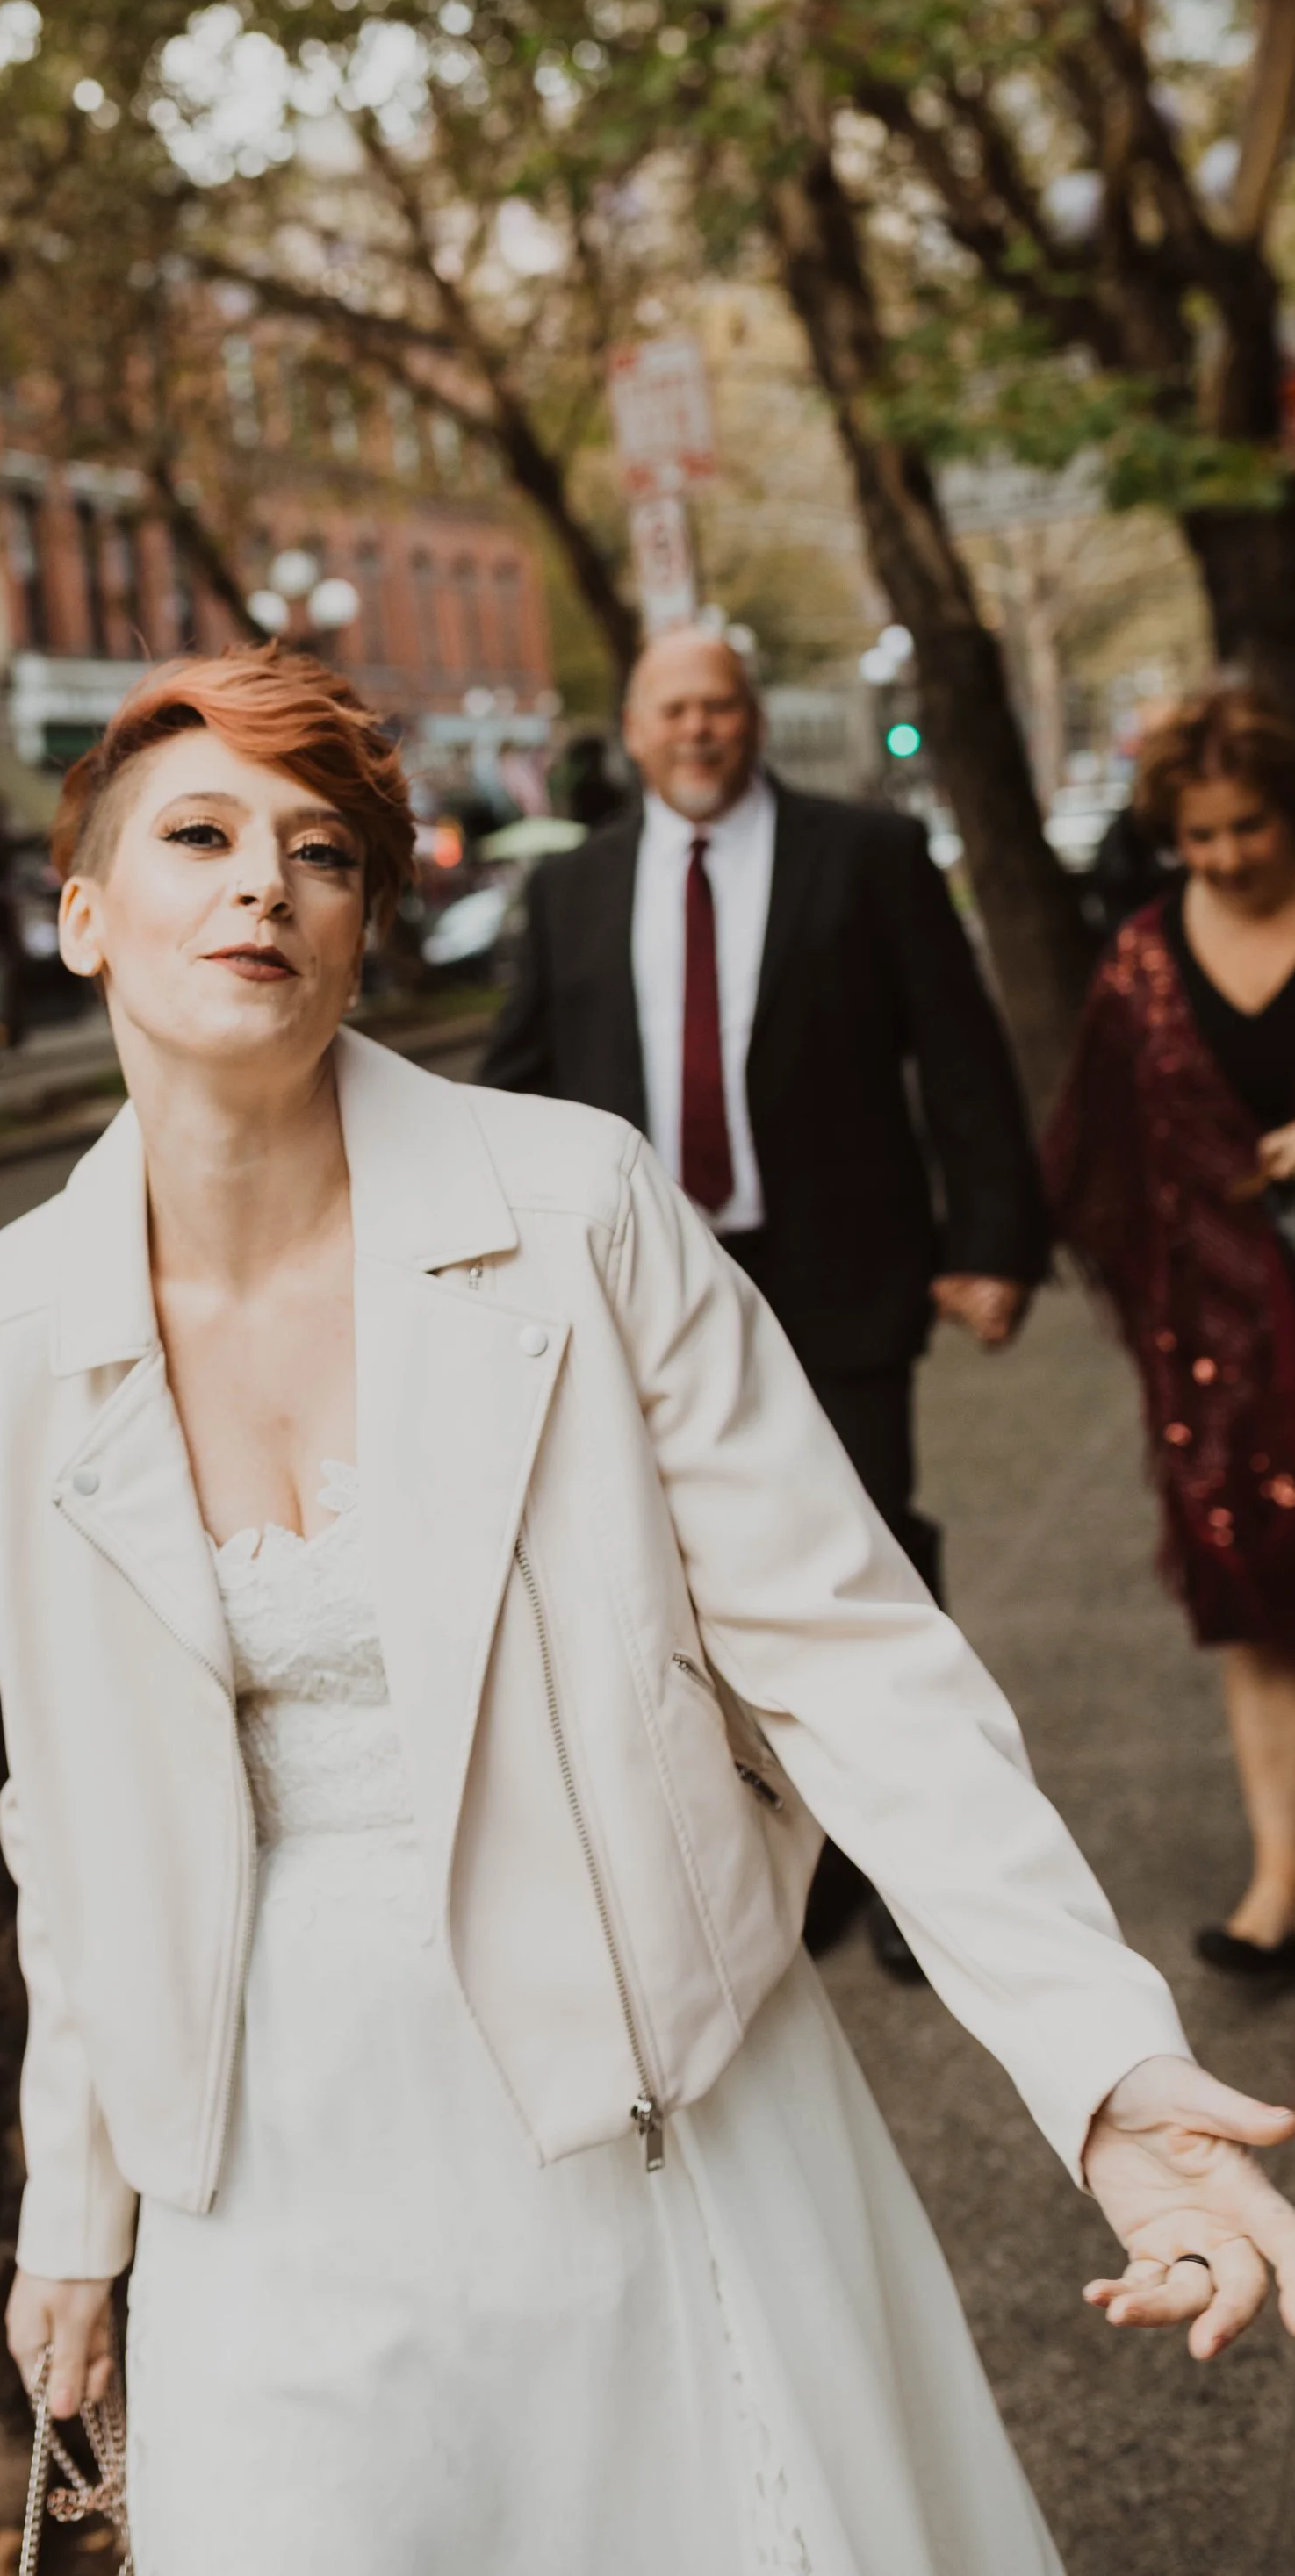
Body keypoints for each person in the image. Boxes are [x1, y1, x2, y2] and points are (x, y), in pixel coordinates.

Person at [0, 645, 1295, 2576]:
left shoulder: (575, 1209)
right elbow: (65, 1813)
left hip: (626, 2092)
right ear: (85, 914)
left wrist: (1094, 2075)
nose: (262, 881)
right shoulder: (11, 1321)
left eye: (320, 853)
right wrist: (76, 2217)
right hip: (255, 2160)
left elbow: (853, 1665)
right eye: (199, 834)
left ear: (358, 937)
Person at [478, 628, 1048, 1972]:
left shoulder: (868, 856)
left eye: (721, 706)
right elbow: (513, 1091)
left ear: (752, 722)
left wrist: (997, 1238)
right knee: (674, 1581)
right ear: (632, 725)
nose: (699, 729)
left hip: (838, 1265)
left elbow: (958, 1055)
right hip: (639, 1296)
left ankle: (916, 1872)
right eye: (673, 707)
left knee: (867, 1561)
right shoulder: (572, 890)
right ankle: (778, 1861)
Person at [1047, 682, 1295, 1982]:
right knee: (1261, 1604)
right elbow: (1102, 1146)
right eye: (1200, 836)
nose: (1227, 857)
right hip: (1236, 1343)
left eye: (1249, 827)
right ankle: (1281, 1888)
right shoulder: (1141, 951)